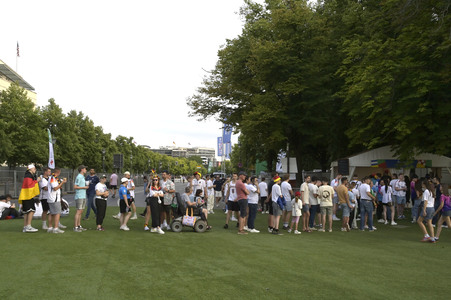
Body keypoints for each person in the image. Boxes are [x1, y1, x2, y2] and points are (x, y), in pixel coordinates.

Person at [18, 164, 41, 233]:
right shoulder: (28, 175)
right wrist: (37, 181)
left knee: (26, 212)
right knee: (31, 210)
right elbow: (29, 185)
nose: (35, 170)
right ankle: (28, 226)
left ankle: (25, 226)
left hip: (25, 195)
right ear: (30, 169)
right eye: (34, 168)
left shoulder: (28, 175)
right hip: (28, 195)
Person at [47, 168, 67, 233]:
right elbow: (55, 188)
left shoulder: (52, 178)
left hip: (52, 198)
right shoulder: (53, 178)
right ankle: (55, 228)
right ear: (58, 172)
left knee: (51, 213)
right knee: (57, 213)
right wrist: (62, 183)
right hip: (54, 198)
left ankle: (50, 227)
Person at [74, 165, 89, 232]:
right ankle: (75, 227)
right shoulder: (79, 177)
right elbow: (75, 186)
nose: (86, 170)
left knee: (81, 211)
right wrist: (84, 187)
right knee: (78, 211)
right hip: (79, 196)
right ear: (82, 169)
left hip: (83, 195)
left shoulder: (82, 177)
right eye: (85, 169)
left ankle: (79, 225)